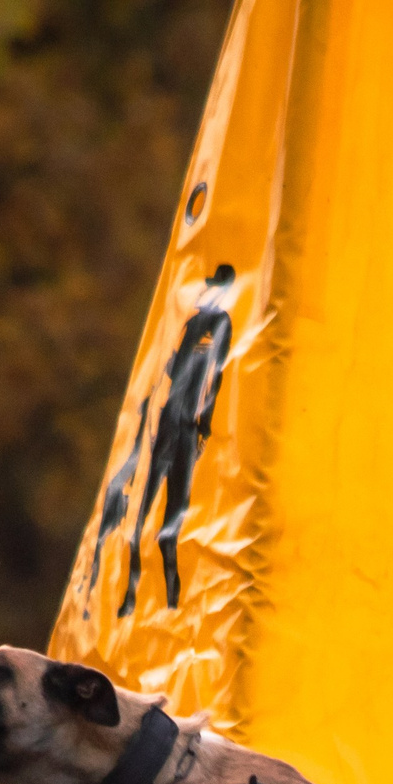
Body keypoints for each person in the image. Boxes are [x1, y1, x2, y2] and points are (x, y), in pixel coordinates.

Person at [122, 264, 235, 617]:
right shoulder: (195, 322)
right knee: (143, 514)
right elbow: (172, 369)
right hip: (169, 422)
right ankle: (132, 596)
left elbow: (215, 378)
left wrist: (204, 426)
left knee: (172, 522)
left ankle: (173, 604)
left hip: (187, 429)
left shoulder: (221, 324)